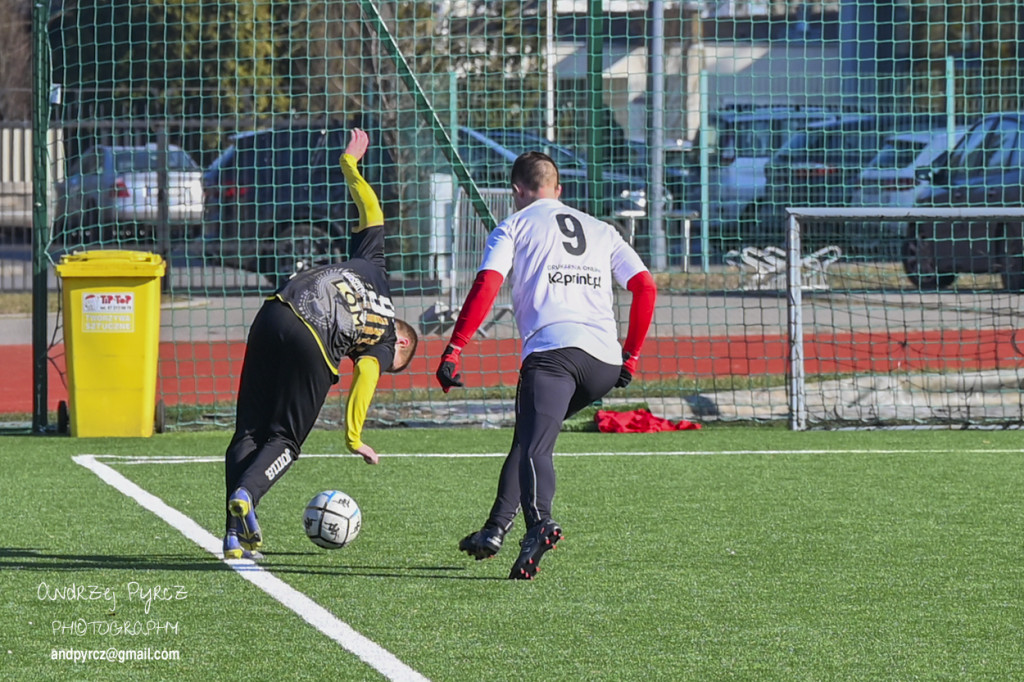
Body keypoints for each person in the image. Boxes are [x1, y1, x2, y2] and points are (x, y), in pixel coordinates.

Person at [435, 150, 657, 579]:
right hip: (603, 362)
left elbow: (487, 284)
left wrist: (455, 347)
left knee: (536, 447)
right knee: (528, 437)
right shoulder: (601, 228)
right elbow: (645, 287)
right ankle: (495, 529)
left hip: (553, 356)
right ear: (559, 189)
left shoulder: (513, 225)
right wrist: (630, 354)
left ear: (516, 190)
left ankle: (540, 523)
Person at [222, 128, 419, 560]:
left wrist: (349, 164)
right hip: (313, 336)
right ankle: (247, 496)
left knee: (248, 430)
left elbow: (371, 208)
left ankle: (233, 535)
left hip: (275, 309)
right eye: (398, 360)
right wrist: (354, 437)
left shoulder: (374, 264)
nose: (390, 361)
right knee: (285, 440)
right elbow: (365, 375)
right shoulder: (386, 336)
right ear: (403, 339)